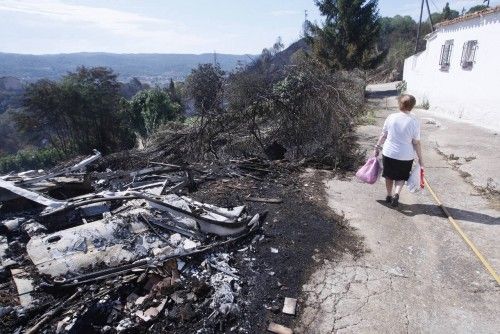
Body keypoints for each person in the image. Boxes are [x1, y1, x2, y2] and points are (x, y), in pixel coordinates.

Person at [374, 94, 424, 207]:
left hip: (389, 152)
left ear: (399, 104)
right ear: (412, 106)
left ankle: (388, 195)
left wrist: (377, 147)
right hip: (406, 156)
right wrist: (421, 159)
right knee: (401, 177)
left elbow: (384, 135)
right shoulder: (414, 121)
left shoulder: (391, 117)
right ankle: (396, 194)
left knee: (389, 176)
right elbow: (416, 142)